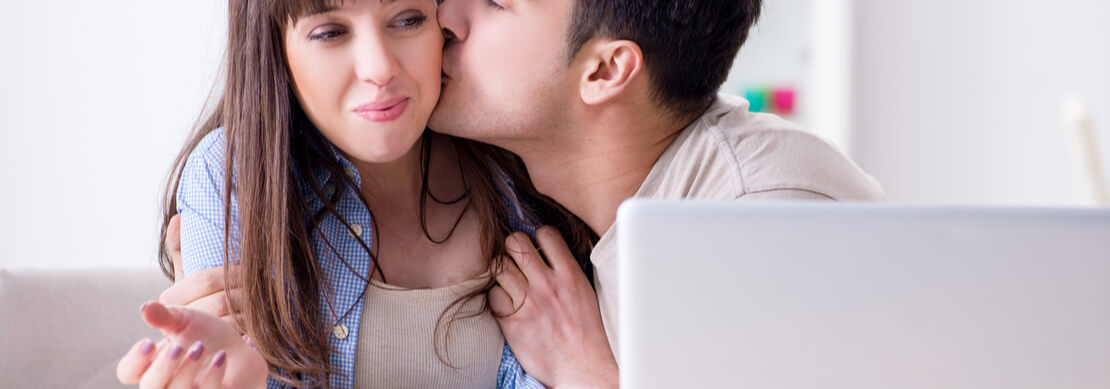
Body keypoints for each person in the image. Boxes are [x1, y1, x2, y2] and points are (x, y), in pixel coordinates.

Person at [148, 0, 886, 387]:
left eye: (497, 1)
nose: (447, 19)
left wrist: (594, 378)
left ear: (604, 72)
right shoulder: (591, 220)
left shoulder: (758, 218)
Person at [116, 0, 592, 387]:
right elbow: (222, 364)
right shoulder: (233, 175)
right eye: (330, 32)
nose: (380, 68)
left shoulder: (515, 169)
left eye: (407, 19)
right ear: (275, 50)